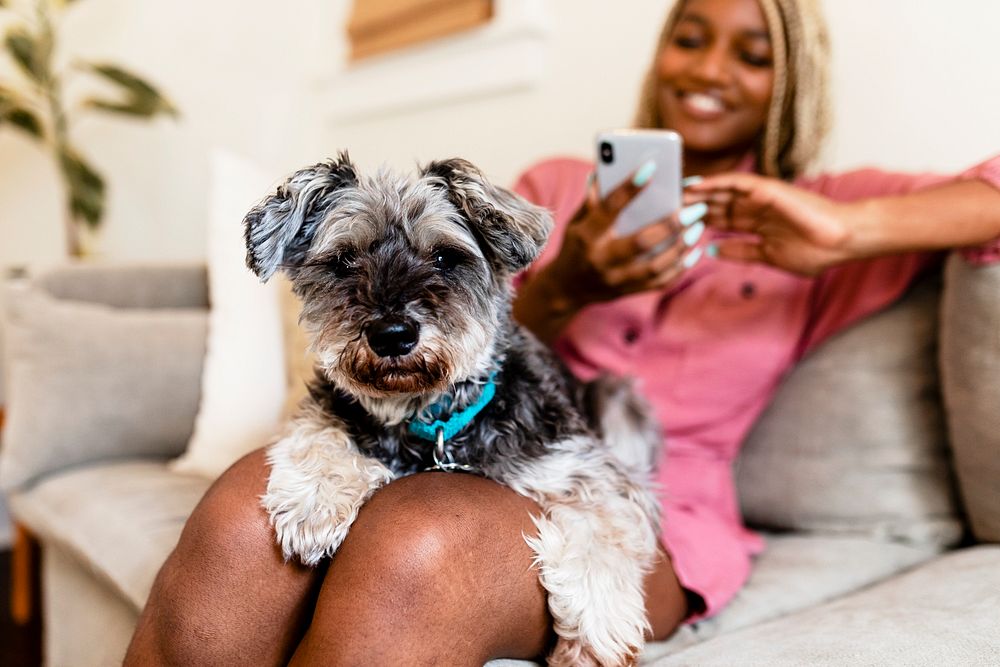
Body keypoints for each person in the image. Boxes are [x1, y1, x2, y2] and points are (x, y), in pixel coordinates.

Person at [126, 0, 1000, 664]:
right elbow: (468, 347)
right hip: (458, 434)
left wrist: (843, 234)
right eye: (690, 36)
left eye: (754, 53)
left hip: (646, 506)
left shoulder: (822, 214)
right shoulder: (558, 190)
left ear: (794, 77)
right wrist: (571, 278)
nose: (712, 68)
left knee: (416, 533)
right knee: (249, 506)